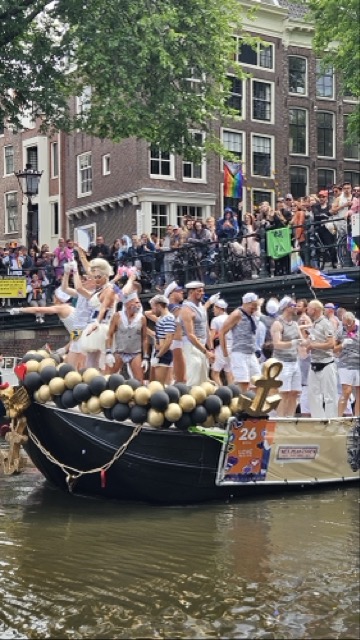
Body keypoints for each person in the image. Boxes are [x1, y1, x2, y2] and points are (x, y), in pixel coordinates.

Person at [219, 292, 261, 392]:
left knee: (258, 382)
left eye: (256, 307)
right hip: (239, 353)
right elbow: (222, 332)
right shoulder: (237, 314)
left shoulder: (252, 315)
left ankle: (255, 405)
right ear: (246, 303)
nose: (254, 309)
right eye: (253, 307)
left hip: (251, 353)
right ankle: (243, 406)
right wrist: (225, 354)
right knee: (244, 383)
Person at [303, 299, 337, 419]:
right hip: (314, 363)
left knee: (329, 395)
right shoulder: (314, 323)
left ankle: (331, 421)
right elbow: (312, 340)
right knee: (313, 394)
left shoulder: (326, 323)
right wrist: (305, 344)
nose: (307, 310)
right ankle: (318, 420)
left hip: (326, 363)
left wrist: (313, 346)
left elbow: (331, 344)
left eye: (309, 308)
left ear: (316, 310)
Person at [271, 296, 304, 417]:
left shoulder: (295, 324)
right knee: (283, 393)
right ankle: (280, 420)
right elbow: (277, 344)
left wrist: (311, 340)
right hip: (282, 363)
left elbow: (302, 341)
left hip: (295, 362)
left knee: (295, 392)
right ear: (286, 307)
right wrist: (292, 343)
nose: (296, 307)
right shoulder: (278, 323)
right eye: (293, 305)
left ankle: (290, 419)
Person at [105, 293, 148, 381]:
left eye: (139, 303)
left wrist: (146, 357)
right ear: (128, 303)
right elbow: (109, 334)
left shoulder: (142, 318)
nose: (138, 305)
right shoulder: (118, 316)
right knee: (109, 377)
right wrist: (108, 352)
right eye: (136, 302)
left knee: (139, 380)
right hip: (119, 352)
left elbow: (145, 338)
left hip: (135, 353)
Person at [179, 281, 214, 386]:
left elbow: (206, 328)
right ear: (191, 292)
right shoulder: (186, 309)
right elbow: (190, 335)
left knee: (204, 378)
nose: (202, 293)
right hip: (191, 347)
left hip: (202, 346)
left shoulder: (201, 307)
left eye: (203, 290)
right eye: (199, 291)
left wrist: (211, 348)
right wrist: (206, 352)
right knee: (193, 375)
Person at [148, 294, 177, 385]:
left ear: (159, 306)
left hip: (163, 354)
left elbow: (168, 340)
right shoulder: (161, 318)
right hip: (158, 353)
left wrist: (158, 356)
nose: (152, 311)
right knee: (152, 383)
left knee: (158, 385)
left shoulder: (168, 318)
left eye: (153, 307)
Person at [335, 312, 359, 417]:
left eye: (348, 324)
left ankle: (357, 418)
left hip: (358, 364)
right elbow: (333, 349)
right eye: (345, 324)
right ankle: (338, 418)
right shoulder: (340, 331)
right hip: (345, 363)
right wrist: (342, 345)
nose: (347, 326)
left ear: (354, 321)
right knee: (347, 391)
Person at [164, 281, 186, 383]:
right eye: (179, 291)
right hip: (175, 343)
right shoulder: (172, 307)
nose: (182, 292)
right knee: (179, 376)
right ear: (171, 294)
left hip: (181, 343)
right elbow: (184, 315)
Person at [209, 299, 234, 386]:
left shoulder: (215, 320)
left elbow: (210, 337)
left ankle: (222, 392)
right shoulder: (231, 318)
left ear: (219, 308)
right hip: (232, 347)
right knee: (229, 374)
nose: (213, 310)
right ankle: (234, 395)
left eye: (214, 308)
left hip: (221, 348)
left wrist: (211, 349)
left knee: (215, 374)